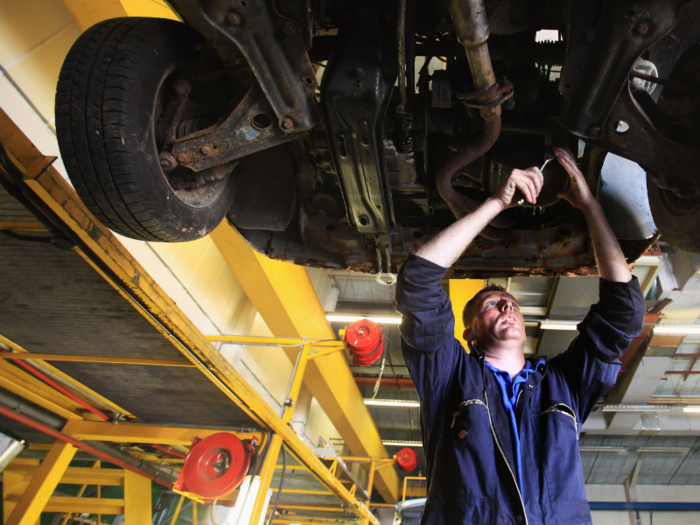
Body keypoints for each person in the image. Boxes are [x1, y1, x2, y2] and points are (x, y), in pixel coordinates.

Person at [395, 147, 645, 525]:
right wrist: (496, 202)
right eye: (493, 304)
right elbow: (417, 283)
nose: (507, 306)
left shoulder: (564, 385)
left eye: (511, 302)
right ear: (471, 332)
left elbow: (623, 312)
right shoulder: (449, 377)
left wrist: (590, 205)